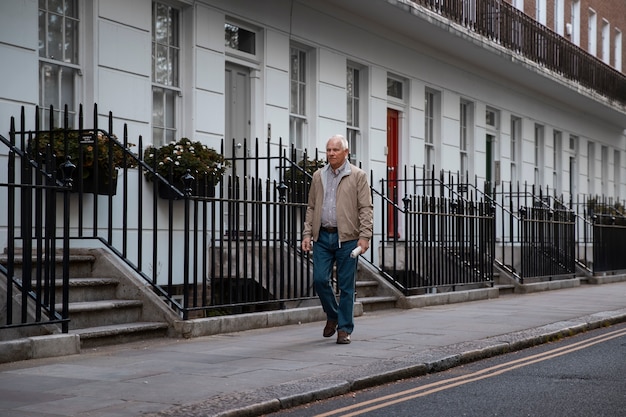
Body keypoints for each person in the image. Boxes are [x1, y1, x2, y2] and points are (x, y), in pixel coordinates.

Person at [301, 134, 373, 344]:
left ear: (345, 152)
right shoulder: (318, 176)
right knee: (320, 280)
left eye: (335, 150)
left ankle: (344, 329)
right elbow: (311, 207)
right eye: (329, 150)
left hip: (348, 239)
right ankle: (333, 314)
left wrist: (365, 236)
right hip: (323, 236)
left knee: (346, 286)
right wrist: (307, 233)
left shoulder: (358, 176)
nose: (331, 153)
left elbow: (365, 208)